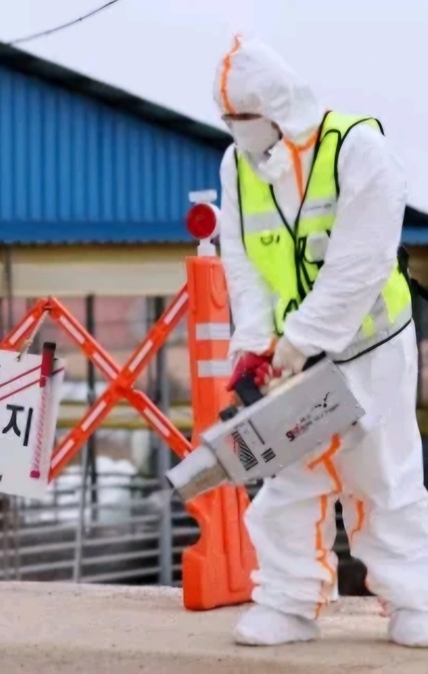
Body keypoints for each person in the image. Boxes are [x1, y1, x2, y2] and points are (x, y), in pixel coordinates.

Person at [215, 36, 428, 647]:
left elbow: (360, 265)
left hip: (373, 346)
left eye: (245, 119)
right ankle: (287, 602)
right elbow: (244, 260)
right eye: (227, 120)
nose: (237, 130)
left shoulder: (358, 149)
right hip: (293, 359)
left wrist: (296, 342)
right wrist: (254, 343)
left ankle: (413, 599)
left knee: (381, 474)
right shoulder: (238, 165)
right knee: (288, 479)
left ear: (281, 107)